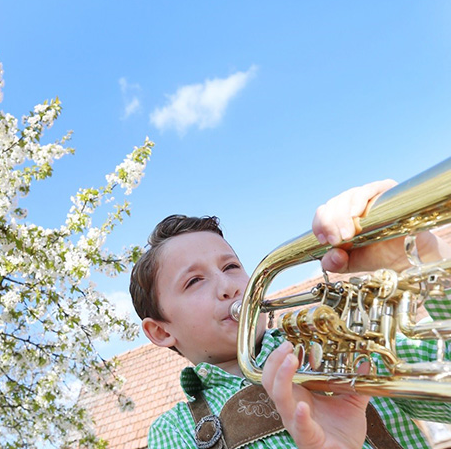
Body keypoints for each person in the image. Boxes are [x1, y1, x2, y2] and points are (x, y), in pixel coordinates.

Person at [129, 180, 451, 449]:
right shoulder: (175, 431)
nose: (228, 287)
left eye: (231, 266)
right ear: (160, 331)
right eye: (194, 281)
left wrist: (427, 256)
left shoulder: (344, 344)